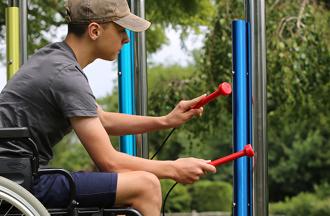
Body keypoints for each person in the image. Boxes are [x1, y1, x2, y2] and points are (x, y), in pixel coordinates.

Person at [0, 0, 216, 215]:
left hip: (15, 177)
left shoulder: (54, 59)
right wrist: (174, 169)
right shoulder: (66, 74)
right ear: (94, 30)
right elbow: (109, 162)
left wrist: (165, 121)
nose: (127, 39)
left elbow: (101, 119)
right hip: (19, 183)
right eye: (121, 30)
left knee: (131, 185)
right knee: (146, 186)